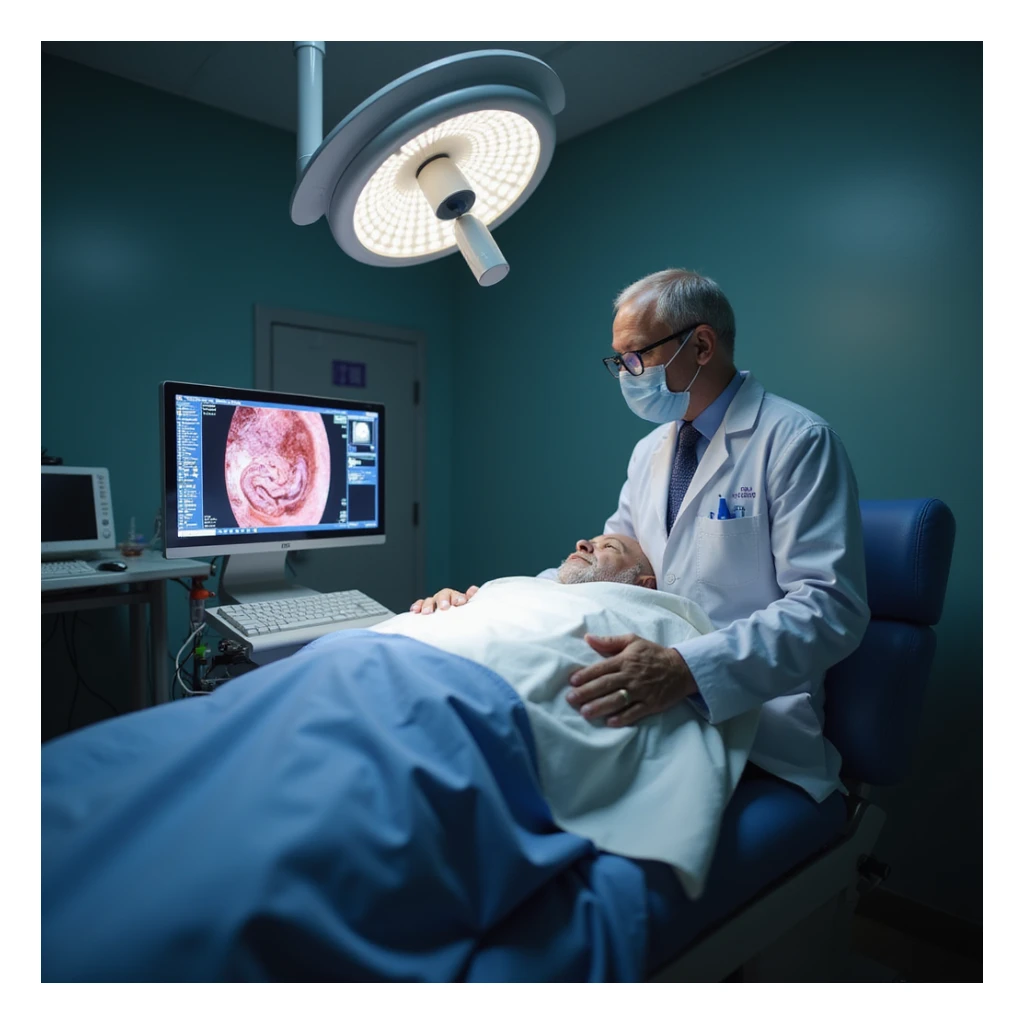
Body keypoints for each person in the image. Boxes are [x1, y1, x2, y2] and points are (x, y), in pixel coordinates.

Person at [413, 268, 870, 802]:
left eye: (636, 358)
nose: (627, 374)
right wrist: (492, 601)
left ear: (701, 345)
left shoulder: (796, 442)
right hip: (645, 694)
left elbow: (830, 606)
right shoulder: (651, 451)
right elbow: (607, 571)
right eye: (619, 362)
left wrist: (688, 670)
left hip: (750, 716)